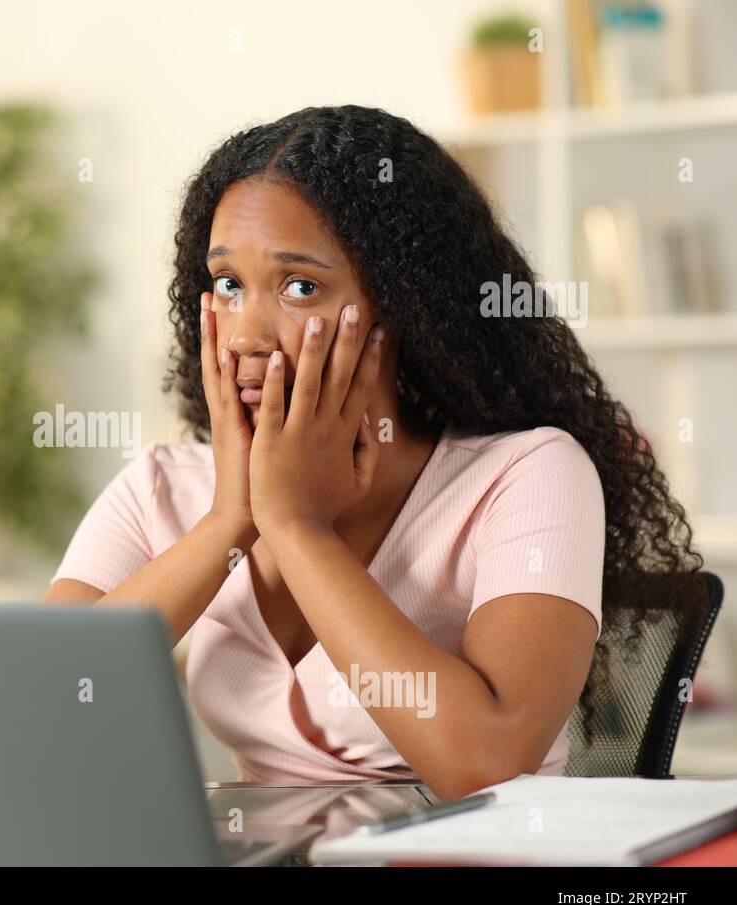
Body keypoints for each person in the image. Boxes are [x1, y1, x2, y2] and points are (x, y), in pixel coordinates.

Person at [41, 105, 706, 801]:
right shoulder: (160, 489)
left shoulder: (528, 475)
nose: (244, 335)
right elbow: (29, 708)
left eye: (299, 287)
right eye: (229, 285)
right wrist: (230, 521)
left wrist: (296, 527)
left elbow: (486, 764)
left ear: (402, 307)